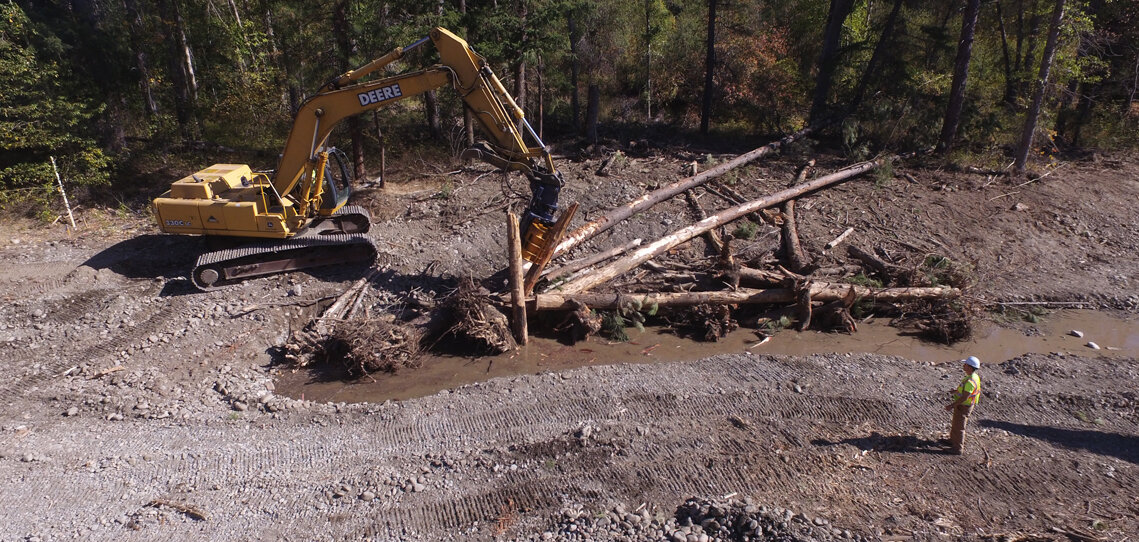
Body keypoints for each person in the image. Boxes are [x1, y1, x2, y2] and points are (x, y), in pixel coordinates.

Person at [944, 356, 981, 454]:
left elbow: (965, 396)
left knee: (960, 427)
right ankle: (952, 440)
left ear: (970, 367)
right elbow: (965, 391)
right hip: (963, 405)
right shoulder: (973, 377)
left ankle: (957, 448)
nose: (963, 366)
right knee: (955, 424)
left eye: (965, 364)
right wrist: (956, 391)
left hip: (964, 406)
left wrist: (952, 405)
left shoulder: (970, 381)